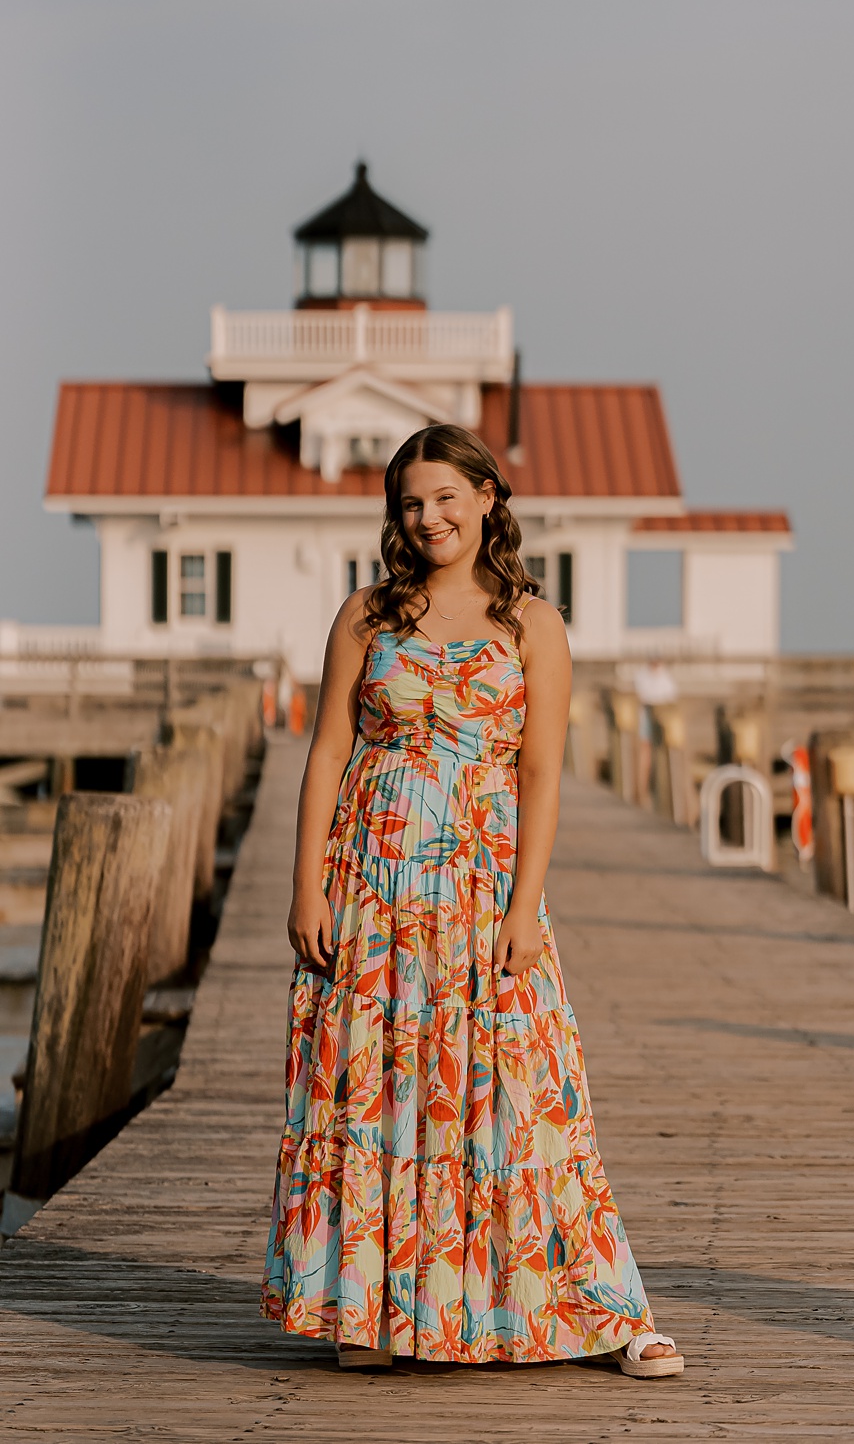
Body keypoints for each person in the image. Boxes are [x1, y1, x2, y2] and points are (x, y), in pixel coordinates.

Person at [262, 424, 682, 1378]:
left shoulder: (533, 622)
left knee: (527, 1090)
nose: (429, 517)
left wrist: (527, 909)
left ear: (489, 495)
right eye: (411, 503)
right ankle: (372, 1312)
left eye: (447, 496)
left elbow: (541, 776)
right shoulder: (367, 615)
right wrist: (305, 883)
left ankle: (609, 1311)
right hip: (372, 881)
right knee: (379, 1086)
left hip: (483, 882)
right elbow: (327, 750)